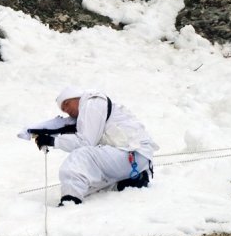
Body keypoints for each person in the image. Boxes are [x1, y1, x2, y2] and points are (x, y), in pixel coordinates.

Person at [22, 86, 159, 206]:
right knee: (87, 183)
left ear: (75, 97)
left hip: (132, 152)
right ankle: (131, 181)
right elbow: (71, 129)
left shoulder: (92, 102)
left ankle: (70, 200)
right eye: (63, 109)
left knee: (80, 157)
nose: (66, 111)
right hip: (135, 159)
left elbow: (85, 142)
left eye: (67, 104)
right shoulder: (89, 110)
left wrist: (53, 141)